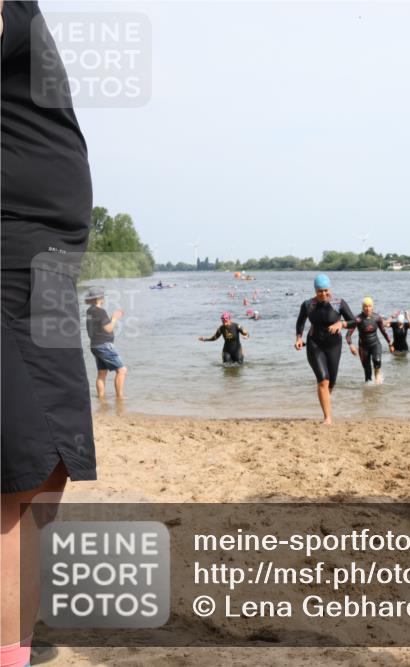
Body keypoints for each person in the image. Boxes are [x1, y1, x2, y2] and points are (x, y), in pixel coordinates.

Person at [2, 2, 98, 665]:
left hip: (48, 257)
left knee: (48, 469)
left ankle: (19, 636)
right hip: (9, 253)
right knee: (15, 474)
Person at [295, 274, 355, 424]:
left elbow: (354, 321)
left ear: (330, 289)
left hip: (334, 345)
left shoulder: (339, 303)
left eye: (326, 290)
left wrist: (341, 324)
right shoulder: (308, 305)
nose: (323, 294)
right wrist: (298, 338)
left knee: (332, 381)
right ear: (315, 291)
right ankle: (327, 418)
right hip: (314, 344)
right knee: (323, 380)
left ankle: (325, 402)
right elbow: (300, 321)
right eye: (320, 291)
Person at [84, 287, 129, 399]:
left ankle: (101, 398)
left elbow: (99, 326)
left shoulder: (90, 311)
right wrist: (114, 318)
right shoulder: (100, 311)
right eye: (102, 296)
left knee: (102, 373)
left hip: (94, 345)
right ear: (99, 298)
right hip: (104, 345)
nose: (103, 298)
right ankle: (119, 397)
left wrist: (110, 319)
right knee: (122, 370)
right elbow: (108, 329)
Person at [346, 297, 393, 384]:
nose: (367, 308)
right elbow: (348, 335)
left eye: (369, 306)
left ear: (372, 307)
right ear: (362, 307)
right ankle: (368, 394)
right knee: (367, 373)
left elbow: (383, 331)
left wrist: (390, 343)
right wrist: (351, 345)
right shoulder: (357, 319)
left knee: (377, 361)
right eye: (365, 306)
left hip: (375, 344)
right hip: (363, 348)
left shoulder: (377, 318)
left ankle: (377, 373)